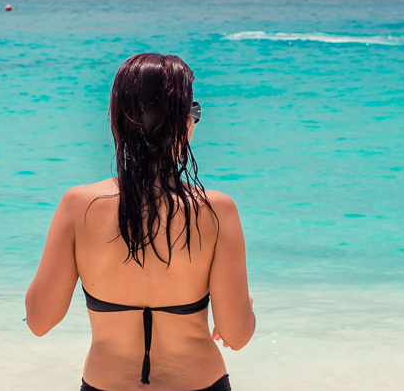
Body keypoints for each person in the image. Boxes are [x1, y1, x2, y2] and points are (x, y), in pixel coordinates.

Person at [26, 53, 256, 391]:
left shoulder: (78, 206)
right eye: (193, 111)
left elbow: (40, 321)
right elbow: (236, 336)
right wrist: (242, 307)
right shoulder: (216, 211)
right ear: (182, 122)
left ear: (118, 119)